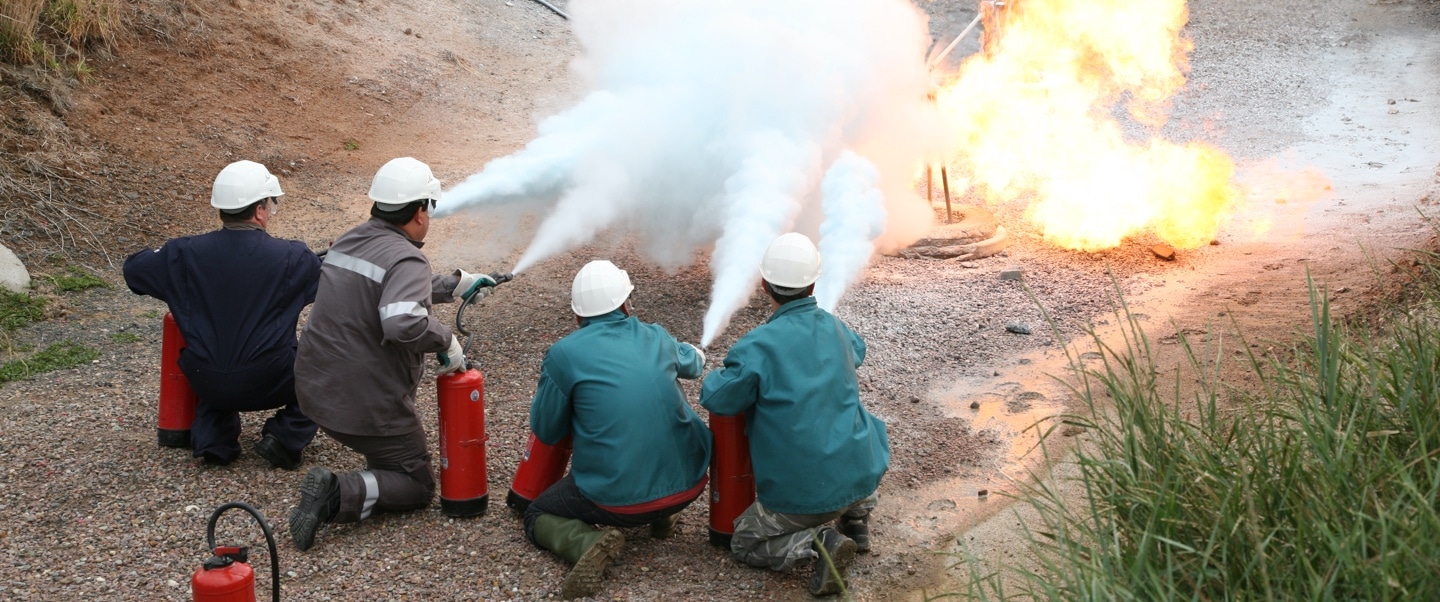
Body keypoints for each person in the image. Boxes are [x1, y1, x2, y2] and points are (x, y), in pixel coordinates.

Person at [286, 157, 498, 551]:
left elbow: (384, 284)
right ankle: (336, 492)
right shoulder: (408, 257)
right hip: (363, 407)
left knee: (391, 461)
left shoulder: (351, 239)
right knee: (417, 483)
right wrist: (446, 340)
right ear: (419, 211)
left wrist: (455, 284)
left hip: (315, 393)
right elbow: (401, 322)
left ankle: (367, 469)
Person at [699, 232, 890, 597]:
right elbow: (859, 351)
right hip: (862, 472)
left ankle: (819, 543)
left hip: (803, 498)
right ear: (813, 282)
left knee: (745, 542)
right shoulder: (835, 327)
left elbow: (720, 398)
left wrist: (714, 375)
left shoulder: (758, 345)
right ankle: (857, 518)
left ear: (766, 285)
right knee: (852, 448)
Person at [523, 260, 711, 599]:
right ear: (626, 304)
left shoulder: (564, 354)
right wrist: (693, 352)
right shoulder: (656, 335)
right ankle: (664, 519)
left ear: (578, 317)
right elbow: (694, 365)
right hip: (691, 482)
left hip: (618, 504)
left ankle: (588, 542)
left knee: (536, 512)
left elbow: (547, 432)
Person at [123, 160, 321, 469]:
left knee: (217, 349)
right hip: (270, 379)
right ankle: (286, 436)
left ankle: (214, 440)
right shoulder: (294, 257)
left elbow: (133, 271)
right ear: (259, 210)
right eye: (271, 204)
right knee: (326, 367)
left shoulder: (182, 254)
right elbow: (327, 286)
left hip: (206, 380)